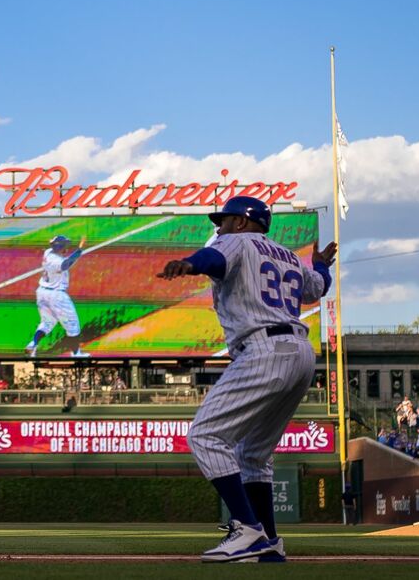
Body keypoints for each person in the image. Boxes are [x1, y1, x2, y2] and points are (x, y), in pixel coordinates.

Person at [158, 196, 335, 563]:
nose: (218, 228)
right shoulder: (286, 255)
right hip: (300, 355)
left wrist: (190, 264)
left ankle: (247, 529)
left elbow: (215, 258)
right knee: (253, 455)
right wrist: (321, 265)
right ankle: (269, 541)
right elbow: (318, 287)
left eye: (223, 221)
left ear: (241, 222)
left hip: (263, 350)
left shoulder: (235, 240)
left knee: (205, 436)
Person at [25, 235, 89, 358]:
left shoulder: (48, 253)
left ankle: (33, 344)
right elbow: (66, 264)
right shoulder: (57, 262)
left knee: (47, 322)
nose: (67, 247)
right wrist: (80, 250)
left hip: (42, 293)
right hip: (56, 295)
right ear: (61, 247)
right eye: (65, 246)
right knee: (73, 325)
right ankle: (76, 354)